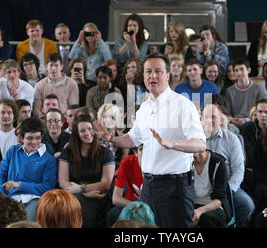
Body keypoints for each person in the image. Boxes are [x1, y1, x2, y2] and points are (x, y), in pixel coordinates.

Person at [94, 53, 206, 228]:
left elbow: (200, 144)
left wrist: (173, 144)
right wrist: (112, 139)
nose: (152, 76)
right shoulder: (144, 107)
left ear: (167, 75)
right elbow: (132, 139)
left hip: (174, 187)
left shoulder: (183, 105)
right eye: (148, 72)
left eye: (158, 71)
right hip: (148, 186)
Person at [201, 104, 255, 227]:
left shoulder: (232, 139)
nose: (209, 120)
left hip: (226, 187)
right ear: (201, 119)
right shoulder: (194, 139)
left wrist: (229, 191)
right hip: (200, 188)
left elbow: (238, 169)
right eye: (206, 117)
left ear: (221, 120)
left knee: (247, 205)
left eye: (213, 117)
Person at [58, 114, 115, 227]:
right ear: (77, 134)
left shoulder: (106, 153)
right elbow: (63, 181)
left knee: (76, 204)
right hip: (74, 194)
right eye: (82, 130)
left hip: (99, 195)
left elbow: (106, 183)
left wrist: (80, 188)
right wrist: (85, 193)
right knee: (73, 202)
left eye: (90, 129)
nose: (88, 133)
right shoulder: (68, 152)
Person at [0, 117, 57, 222]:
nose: (34, 142)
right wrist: (2, 195)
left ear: (42, 137)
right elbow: (1, 175)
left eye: (37, 138)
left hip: (35, 199)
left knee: (26, 222)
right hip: (10, 198)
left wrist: (19, 185)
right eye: (29, 138)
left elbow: (47, 188)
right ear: (21, 138)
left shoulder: (49, 160)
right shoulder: (12, 151)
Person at [239, 99, 267, 193]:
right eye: (260, 112)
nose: (263, 115)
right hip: (254, 173)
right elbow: (250, 157)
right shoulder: (245, 129)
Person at [106, 144, 143, 227]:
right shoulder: (127, 162)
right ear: (135, 152)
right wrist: (138, 206)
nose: (145, 153)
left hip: (152, 206)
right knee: (112, 215)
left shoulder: (159, 166)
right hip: (130, 203)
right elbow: (116, 199)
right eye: (141, 149)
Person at [224, 57, 266, 127]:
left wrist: (246, 120)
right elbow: (227, 112)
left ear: (248, 70)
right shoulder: (229, 91)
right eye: (236, 70)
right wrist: (232, 119)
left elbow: (262, 110)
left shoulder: (258, 88)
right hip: (235, 124)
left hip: (253, 122)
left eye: (241, 69)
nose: (239, 73)